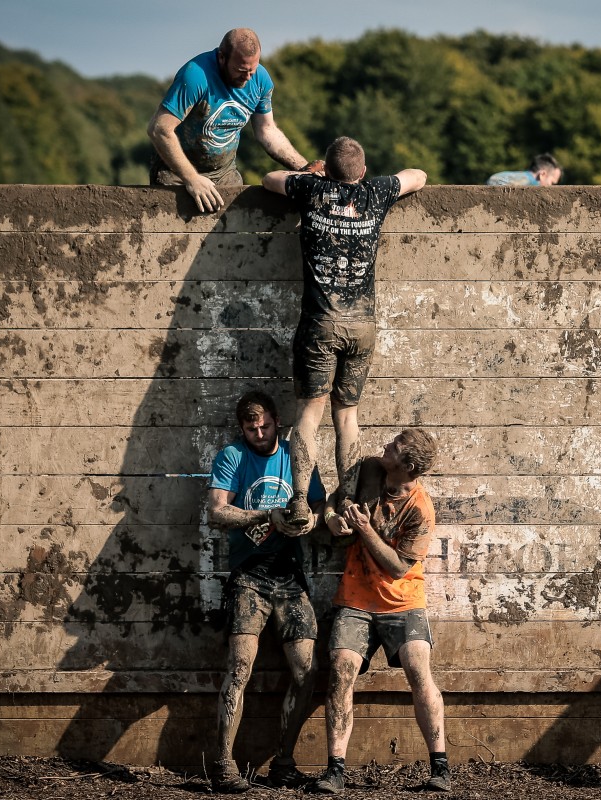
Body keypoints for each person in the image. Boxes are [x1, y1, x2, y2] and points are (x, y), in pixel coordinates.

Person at [261, 137, 426, 528]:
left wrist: (309, 173)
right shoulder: (376, 192)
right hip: (362, 325)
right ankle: (348, 499)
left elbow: (269, 178)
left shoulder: (310, 189)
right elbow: (418, 175)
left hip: (321, 324)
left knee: (309, 413)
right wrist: (382, 181)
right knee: (347, 416)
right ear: (363, 172)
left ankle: (299, 499)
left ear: (328, 171)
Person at [311, 429, 450, 794]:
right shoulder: (369, 469)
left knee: (419, 669)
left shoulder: (420, 508)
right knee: (341, 668)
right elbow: (330, 502)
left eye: (397, 445)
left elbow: (398, 568)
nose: (388, 443)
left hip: (403, 602)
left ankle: (440, 768)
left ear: (408, 465)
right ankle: (336, 770)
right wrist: (332, 518)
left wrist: (363, 528)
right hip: (356, 597)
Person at [206, 391, 326, 791]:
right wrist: (264, 514)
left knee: (306, 671)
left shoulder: (296, 455)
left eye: (266, 426)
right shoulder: (233, 456)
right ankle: (223, 767)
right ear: (242, 428)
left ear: (277, 420)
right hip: (248, 578)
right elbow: (217, 511)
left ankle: (284, 764)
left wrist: (309, 521)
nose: (259, 434)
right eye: (251, 428)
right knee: (240, 668)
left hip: (290, 577)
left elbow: (320, 507)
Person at [147, 28, 315, 213]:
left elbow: (267, 131)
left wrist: (305, 168)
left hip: (225, 173)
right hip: (177, 173)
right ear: (222, 57)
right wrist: (192, 179)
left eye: (252, 70)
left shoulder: (261, 80)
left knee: (231, 237)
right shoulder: (195, 76)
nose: (247, 77)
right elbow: (159, 129)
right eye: (241, 70)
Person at [486, 153, 562, 187]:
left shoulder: (523, 178)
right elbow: (495, 180)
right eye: (552, 182)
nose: (551, 186)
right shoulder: (527, 181)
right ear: (542, 175)